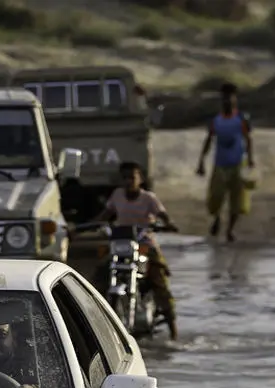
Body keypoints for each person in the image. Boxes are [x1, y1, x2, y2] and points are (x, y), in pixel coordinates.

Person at [91, 161, 180, 341]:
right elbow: (105, 214)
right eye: (125, 178)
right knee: (98, 278)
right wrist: (91, 224)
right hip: (120, 243)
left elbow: (162, 215)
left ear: (140, 178)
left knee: (160, 280)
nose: (128, 181)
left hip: (145, 245)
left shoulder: (149, 198)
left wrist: (168, 224)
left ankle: (173, 329)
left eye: (132, 177)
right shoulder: (117, 195)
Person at [196, 82, 254, 242]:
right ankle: (217, 219)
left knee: (237, 201)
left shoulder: (241, 119)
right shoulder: (216, 120)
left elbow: (248, 139)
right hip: (219, 164)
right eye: (225, 98)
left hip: (237, 164)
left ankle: (230, 230)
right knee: (215, 198)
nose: (227, 101)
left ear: (235, 99)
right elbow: (208, 140)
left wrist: (250, 159)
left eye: (230, 98)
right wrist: (201, 161)